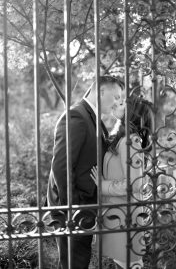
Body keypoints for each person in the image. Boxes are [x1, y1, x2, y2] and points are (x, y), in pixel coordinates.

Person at [46, 75, 124, 269]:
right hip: (74, 209)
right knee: (75, 263)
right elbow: (61, 167)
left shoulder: (92, 116)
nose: (118, 102)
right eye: (116, 97)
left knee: (80, 261)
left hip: (85, 206)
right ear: (101, 91)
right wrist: (75, 208)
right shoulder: (76, 116)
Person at [90, 95, 152, 269]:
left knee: (131, 263)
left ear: (130, 113)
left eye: (123, 103)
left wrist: (103, 186)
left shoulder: (130, 142)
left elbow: (134, 185)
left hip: (125, 214)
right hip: (117, 212)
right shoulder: (122, 137)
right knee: (124, 262)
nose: (117, 103)